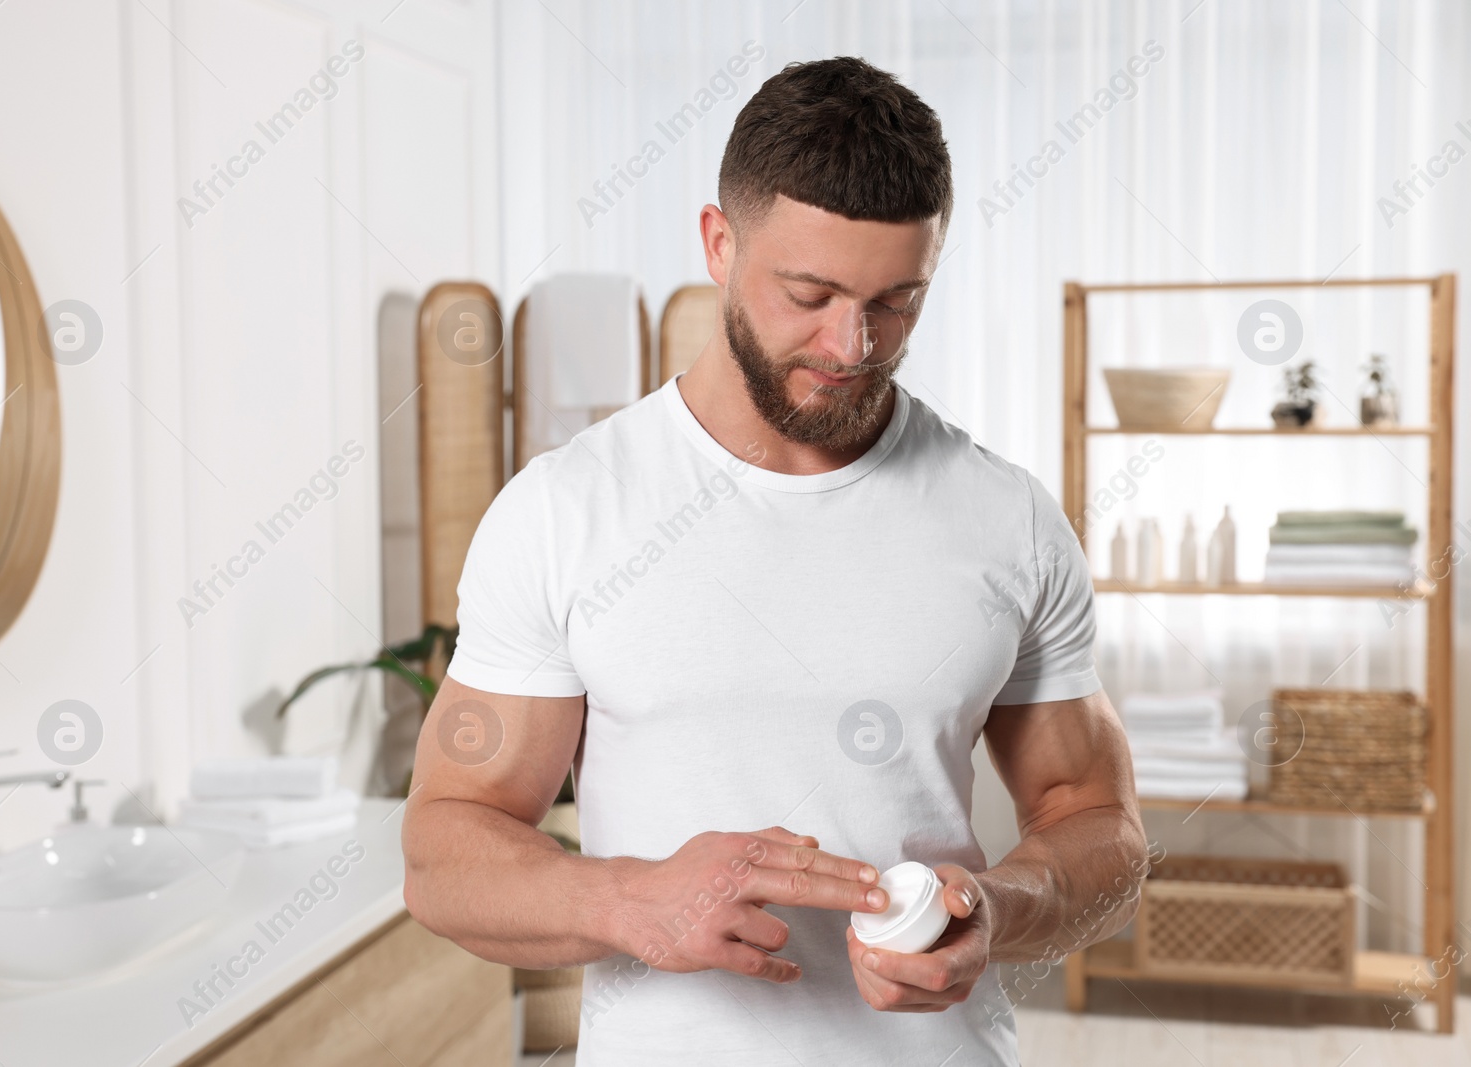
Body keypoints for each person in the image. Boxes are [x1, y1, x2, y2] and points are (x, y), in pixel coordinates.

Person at [403, 55, 1145, 1066]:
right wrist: (631, 900)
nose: (852, 342)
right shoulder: (566, 510)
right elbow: (445, 851)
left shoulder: (1003, 517)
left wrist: (1001, 906)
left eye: (897, 301)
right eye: (810, 291)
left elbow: (1096, 820)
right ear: (718, 242)